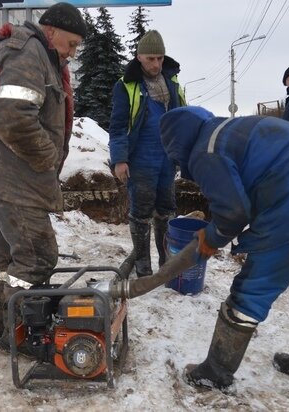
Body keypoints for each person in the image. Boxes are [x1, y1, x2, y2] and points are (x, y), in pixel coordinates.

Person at [159, 106, 289, 390]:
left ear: (177, 144)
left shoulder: (206, 150)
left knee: (252, 288)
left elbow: (233, 212)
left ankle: (216, 372)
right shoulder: (227, 131)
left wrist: (210, 239)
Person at [0, 3, 86, 352]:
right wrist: (47, 155)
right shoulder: (30, 53)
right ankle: (18, 337)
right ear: (51, 31)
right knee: (36, 257)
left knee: (3, 255)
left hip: (3, 174)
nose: (72, 52)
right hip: (16, 179)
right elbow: (12, 118)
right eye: (71, 43)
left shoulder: (30, 51)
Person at [109, 30, 186, 277]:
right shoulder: (127, 85)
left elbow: (183, 116)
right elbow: (118, 125)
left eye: (160, 58)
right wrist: (120, 159)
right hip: (141, 156)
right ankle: (143, 266)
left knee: (167, 208)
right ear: (139, 57)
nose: (156, 64)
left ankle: (167, 261)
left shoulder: (172, 82)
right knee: (141, 211)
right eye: (151, 58)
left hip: (167, 157)